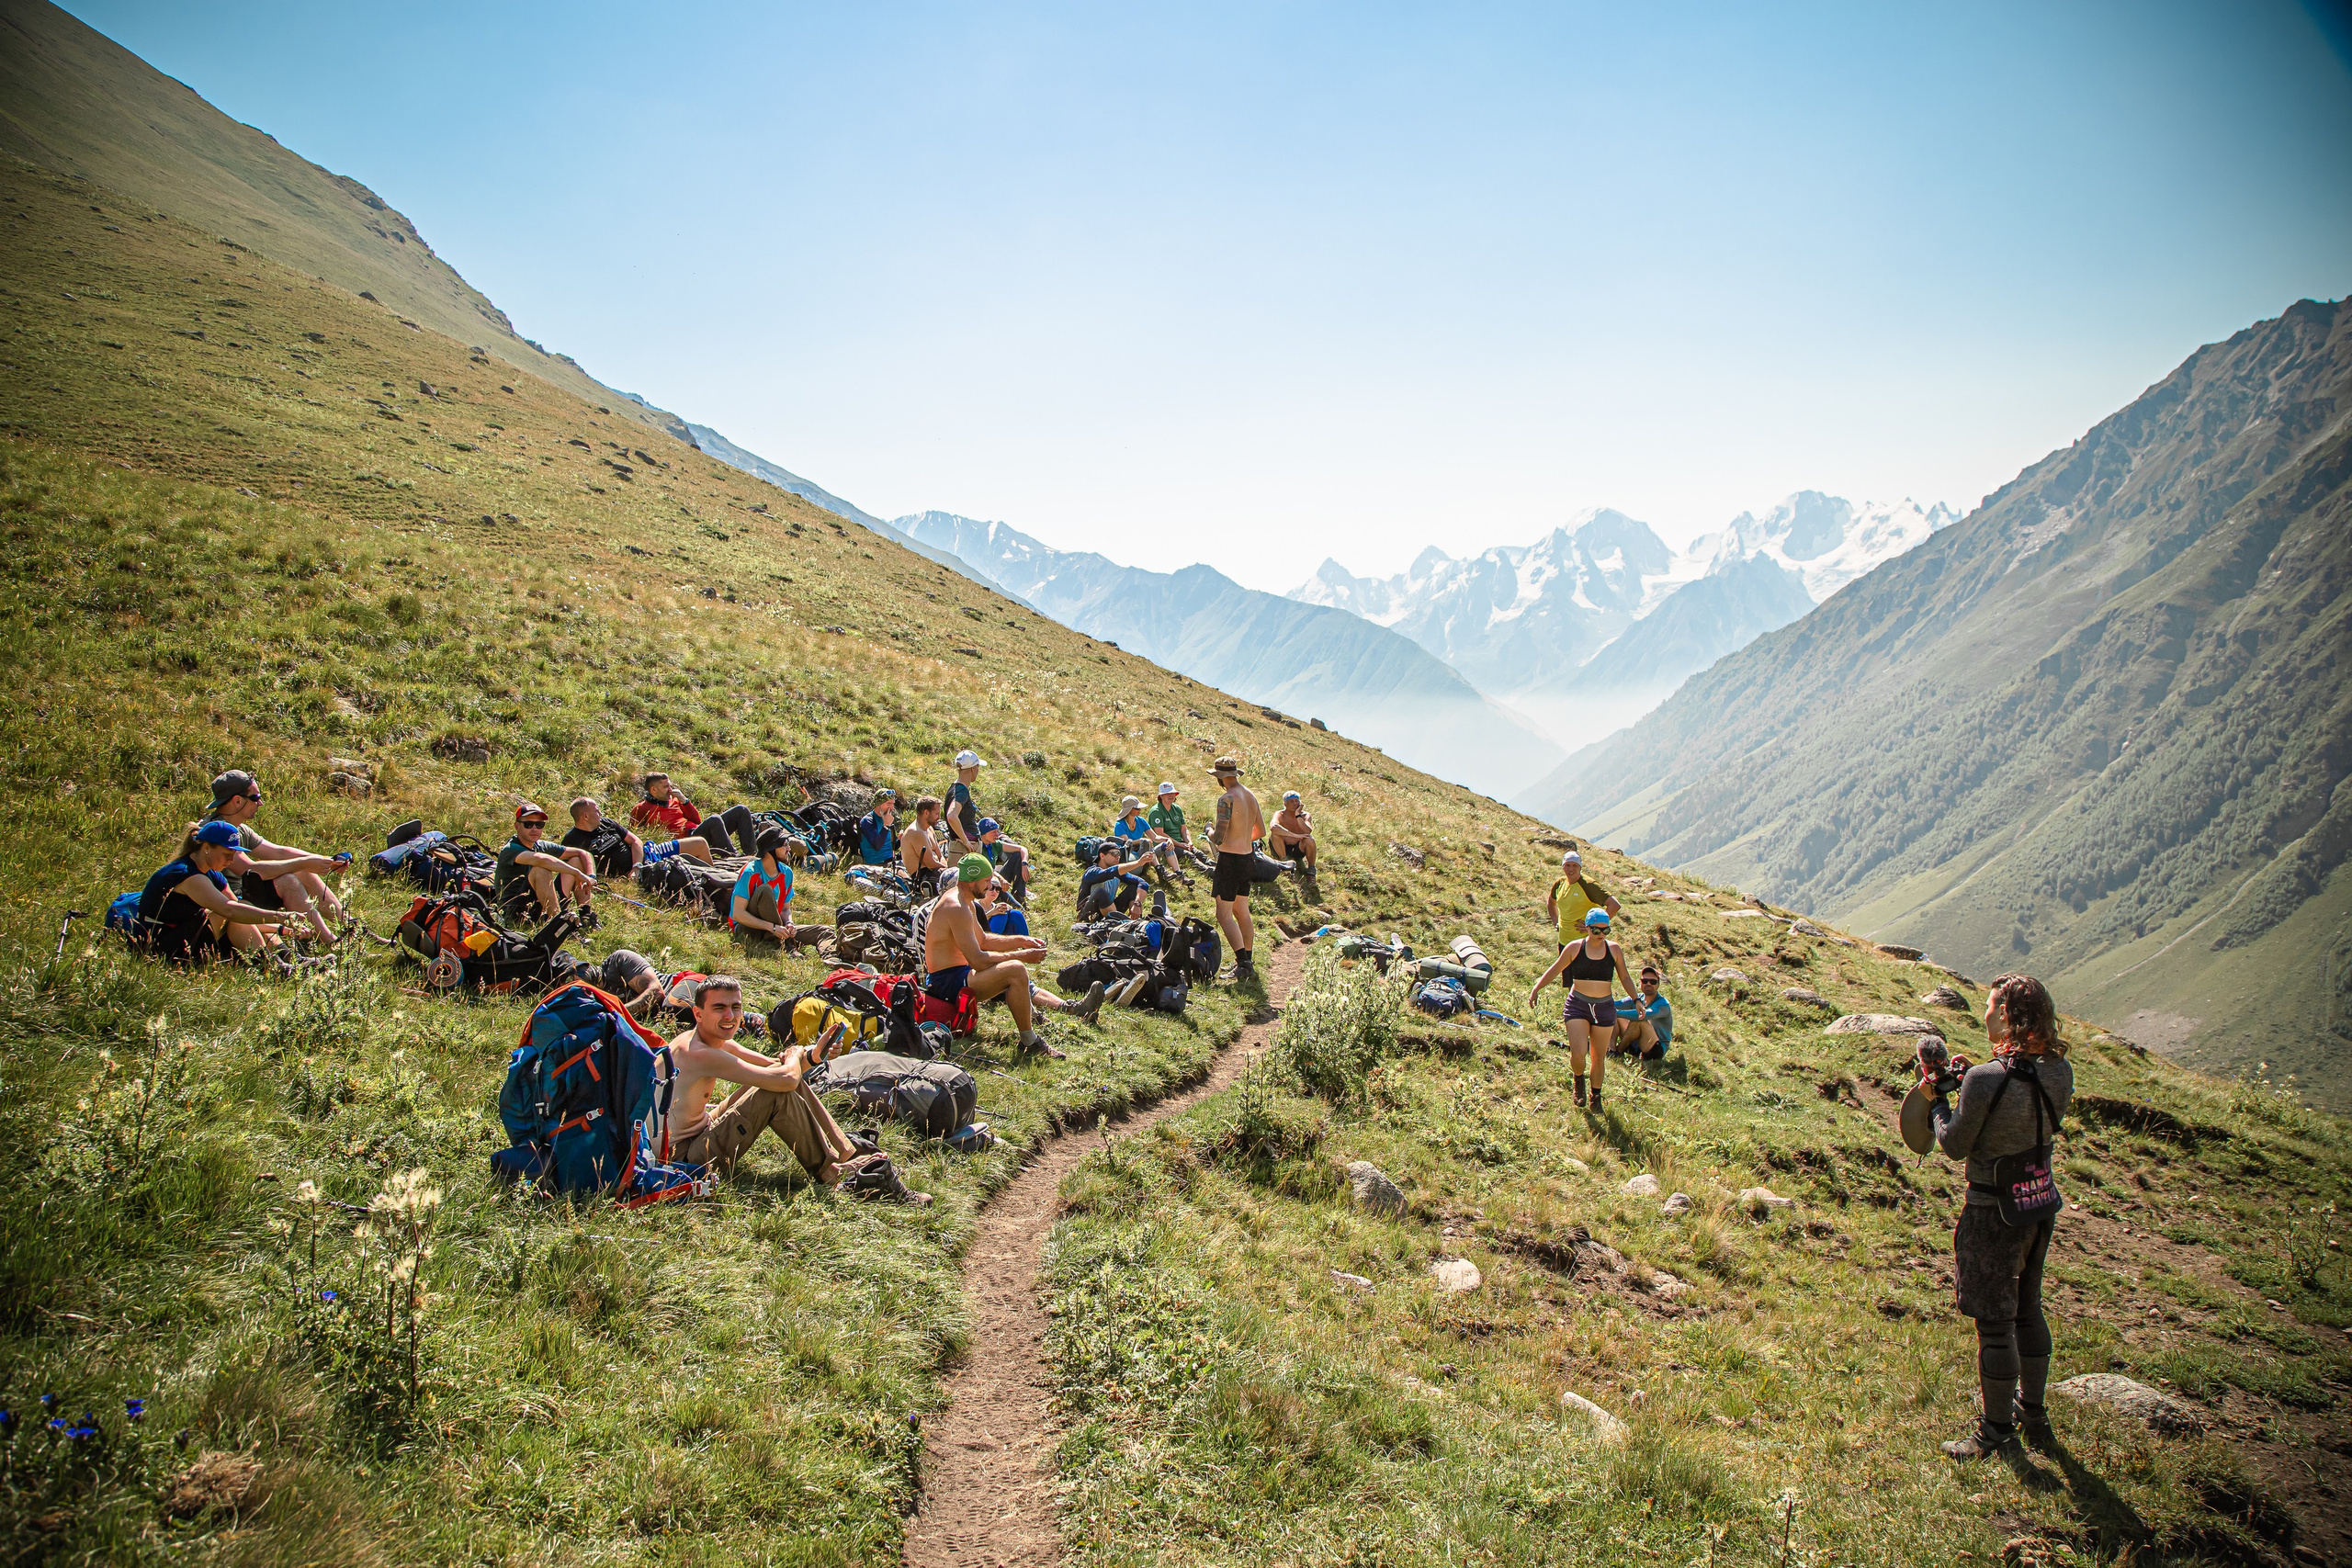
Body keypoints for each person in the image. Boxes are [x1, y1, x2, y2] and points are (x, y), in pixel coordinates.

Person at [1929, 974, 2075, 1461]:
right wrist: (1976, 1078)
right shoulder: (2059, 1071)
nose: (1986, 1014)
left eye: (1992, 1007)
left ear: (2010, 1016)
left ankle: (1994, 1431)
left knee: (1994, 1322)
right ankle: (2033, 1414)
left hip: (1992, 1211)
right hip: (2038, 1204)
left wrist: (1942, 1101)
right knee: (2027, 1309)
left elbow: (1953, 1143)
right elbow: (2019, 1092)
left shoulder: (1987, 1080)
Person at [663, 976, 928, 1203]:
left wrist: (812, 1055)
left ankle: (846, 1152)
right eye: (719, 1008)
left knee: (775, 1079)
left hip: (698, 1133)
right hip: (686, 1159)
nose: (730, 1017)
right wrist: (793, 1059)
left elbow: (775, 1066)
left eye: (736, 1007)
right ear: (698, 1013)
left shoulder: (709, 1040)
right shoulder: (699, 1053)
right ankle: (833, 1171)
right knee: (774, 1091)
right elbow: (785, 1079)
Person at [924, 854, 1061, 1057]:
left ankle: (1029, 1031)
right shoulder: (956, 907)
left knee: (1014, 970)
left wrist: (1020, 940)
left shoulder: (965, 900)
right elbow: (978, 960)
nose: (990, 887)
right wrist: (1023, 955)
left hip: (957, 974)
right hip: (945, 983)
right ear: (972, 880)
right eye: (987, 881)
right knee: (1015, 969)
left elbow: (984, 940)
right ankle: (1030, 1042)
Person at [199, 770, 353, 943]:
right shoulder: (215, 831)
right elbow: (250, 870)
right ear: (237, 801)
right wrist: (305, 862)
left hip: (243, 896)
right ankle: (332, 942)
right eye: (256, 797)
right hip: (230, 905)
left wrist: (325, 861)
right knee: (291, 877)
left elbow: (280, 852)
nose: (261, 803)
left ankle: (351, 926)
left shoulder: (238, 828)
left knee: (302, 870)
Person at [136, 818, 298, 963]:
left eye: (234, 854)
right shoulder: (187, 874)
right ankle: (274, 965)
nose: (231, 861)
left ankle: (287, 958)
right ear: (206, 848)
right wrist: (280, 917)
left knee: (242, 908)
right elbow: (230, 910)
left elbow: (241, 912)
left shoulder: (211, 873)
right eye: (227, 854)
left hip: (187, 935)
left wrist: (282, 929)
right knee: (231, 912)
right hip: (158, 946)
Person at [1530, 908, 1641, 1111]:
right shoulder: (1574, 948)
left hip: (1604, 1007)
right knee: (1579, 1054)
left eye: (1605, 930)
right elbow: (1555, 969)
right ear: (1587, 928)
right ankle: (1578, 1079)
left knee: (1599, 1057)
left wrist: (1636, 1000)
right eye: (1596, 930)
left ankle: (1595, 1097)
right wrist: (1537, 988)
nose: (1601, 935)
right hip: (1578, 1005)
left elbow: (1625, 977)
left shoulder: (1614, 949)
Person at [1206, 757, 1266, 983]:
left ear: (1221, 778)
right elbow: (1260, 831)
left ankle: (1242, 963)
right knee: (1241, 910)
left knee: (1223, 914)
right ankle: (1247, 960)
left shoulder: (1226, 799)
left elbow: (1219, 838)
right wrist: (1242, 839)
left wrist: (1209, 830)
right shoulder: (1250, 796)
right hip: (1247, 858)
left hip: (1230, 861)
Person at [494, 802, 597, 924]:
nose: (534, 829)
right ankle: (560, 924)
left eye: (539, 825)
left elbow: (583, 853)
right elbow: (540, 860)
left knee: (576, 859)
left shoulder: (540, 845)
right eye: (528, 824)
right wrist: (577, 873)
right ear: (517, 826)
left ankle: (586, 916)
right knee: (541, 869)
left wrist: (590, 877)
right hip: (516, 912)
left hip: (540, 903)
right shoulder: (510, 849)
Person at [564, 796, 710, 878]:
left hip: (648, 855)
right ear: (585, 816)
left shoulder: (607, 823)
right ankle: (713, 884)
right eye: (597, 812)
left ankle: (715, 876)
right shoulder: (573, 840)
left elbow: (635, 841)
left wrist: (636, 866)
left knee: (700, 843)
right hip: (649, 871)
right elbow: (567, 867)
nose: (601, 814)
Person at [632, 772, 759, 859]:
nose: (670, 789)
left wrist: (685, 802)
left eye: (670, 785)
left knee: (741, 810)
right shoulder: (642, 808)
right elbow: (635, 832)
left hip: (698, 832)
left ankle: (751, 854)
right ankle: (733, 857)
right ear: (653, 790)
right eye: (666, 787)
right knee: (714, 819)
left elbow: (696, 820)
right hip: (685, 842)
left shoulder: (674, 799)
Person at [729, 827, 804, 943]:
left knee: (823, 931)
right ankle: (787, 944)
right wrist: (772, 928)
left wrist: (789, 923)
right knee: (765, 890)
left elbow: (785, 909)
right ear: (771, 849)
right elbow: (737, 914)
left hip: (775, 929)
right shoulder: (750, 872)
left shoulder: (787, 873)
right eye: (784, 845)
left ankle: (833, 957)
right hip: (748, 929)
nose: (788, 848)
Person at [1546, 850, 1621, 952]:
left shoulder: (1589, 885)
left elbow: (1614, 905)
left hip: (1585, 943)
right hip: (1564, 942)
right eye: (1567, 865)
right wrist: (1556, 922)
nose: (1571, 869)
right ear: (1563, 866)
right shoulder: (1559, 883)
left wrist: (1596, 926)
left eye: (1575, 865)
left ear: (1580, 867)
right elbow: (1551, 902)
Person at [1113, 795, 1184, 886]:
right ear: (1129, 809)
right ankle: (1161, 871)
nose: (1139, 810)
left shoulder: (1141, 821)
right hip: (1129, 857)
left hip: (1142, 854)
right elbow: (1127, 843)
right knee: (1146, 843)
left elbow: (1154, 837)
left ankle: (1177, 873)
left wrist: (1167, 839)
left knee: (1166, 845)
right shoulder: (1120, 824)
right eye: (1136, 808)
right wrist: (1141, 840)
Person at [1611, 965, 1674, 1060]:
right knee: (1613, 1014)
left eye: (1653, 982)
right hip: (1636, 1043)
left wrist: (1617, 1013)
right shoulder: (1638, 998)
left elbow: (1645, 1015)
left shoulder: (1663, 1004)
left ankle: (1619, 1051)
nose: (1648, 984)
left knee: (1640, 1019)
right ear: (1640, 983)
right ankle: (1611, 1049)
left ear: (1658, 984)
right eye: (1645, 981)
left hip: (1655, 1049)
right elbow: (1614, 1005)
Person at [1078, 838, 1148, 920]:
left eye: (1119, 854)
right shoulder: (1092, 872)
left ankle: (1136, 922)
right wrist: (1138, 863)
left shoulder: (1118, 873)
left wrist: (1137, 903)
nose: (1118, 857)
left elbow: (1142, 883)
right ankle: (1119, 923)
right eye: (1114, 853)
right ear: (1102, 856)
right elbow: (1108, 873)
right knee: (1101, 893)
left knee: (1133, 888)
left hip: (1108, 911)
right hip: (1088, 914)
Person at [1148, 782, 1212, 872]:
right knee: (1189, 856)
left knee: (1199, 853)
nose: (1171, 796)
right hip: (1167, 845)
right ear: (1161, 796)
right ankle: (1210, 871)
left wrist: (1189, 842)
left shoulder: (1177, 808)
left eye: (1172, 793)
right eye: (1167, 794)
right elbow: (1159, 833)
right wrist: (1180, 845)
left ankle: (1218, 867)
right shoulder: (1156, 811)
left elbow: (1184, 829)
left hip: (1180, 842)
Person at [975, 818, 1034, 905]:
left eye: (997, 831)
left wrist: (1024, 864)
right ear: (984, 834)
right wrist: (1000, 879)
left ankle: (1019, 894)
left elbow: (1022, 849)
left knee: (1018, 855)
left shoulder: (995, 844)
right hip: (987, 880)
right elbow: (986, 871)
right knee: (1016, 906)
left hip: (996, 877)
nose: (997, 834)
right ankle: (1014, 902)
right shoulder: (977, 847)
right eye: (993, 832)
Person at [901, 795, 949, 893]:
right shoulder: (915, 832)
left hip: (935, 871)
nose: (939, 817)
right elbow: (930, 863)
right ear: (926, 813)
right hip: (922, 877)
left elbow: (940, 855)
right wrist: (949, 871)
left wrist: (947, 869)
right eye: (937, 814)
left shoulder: (929, 828)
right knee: (957, 880)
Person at [943, 750, 987, 854]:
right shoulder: (962, 791)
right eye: (977, 767)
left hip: (960, 849)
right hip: (964, 850)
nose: (978, 770)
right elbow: (952, 816)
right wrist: (966, 841)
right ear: (972, 769)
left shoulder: (954, 787)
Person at [599, 947, 664, 1017]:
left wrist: (617, 1013)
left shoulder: (617, 960)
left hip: (672, 988)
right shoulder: (595, 1003)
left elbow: (656, 991)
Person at [1270, 791, 1318, 876]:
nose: (1294, 803)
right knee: (1275, 834)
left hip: (1297, 849)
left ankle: (1311, 870)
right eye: (1291, 801)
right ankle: (1285, 863)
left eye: (1296, 801)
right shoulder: (1280, 814)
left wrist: (1298, 815)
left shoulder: (1305, 815)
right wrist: (1295, 835)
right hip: (1280, 847)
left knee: (1310, 839)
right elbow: (1273, 827)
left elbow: (1307, 830)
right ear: (1285, 804)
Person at [854, 790, 900, 867]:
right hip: (878, 864)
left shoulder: (886, 818)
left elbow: (893, 847)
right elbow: (877, 846)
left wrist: (900, 840)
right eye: (888, 804)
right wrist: (886, 826)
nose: (892, 808)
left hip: (891, 860)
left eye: (893, 804)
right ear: (878, 805)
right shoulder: (868, 821)